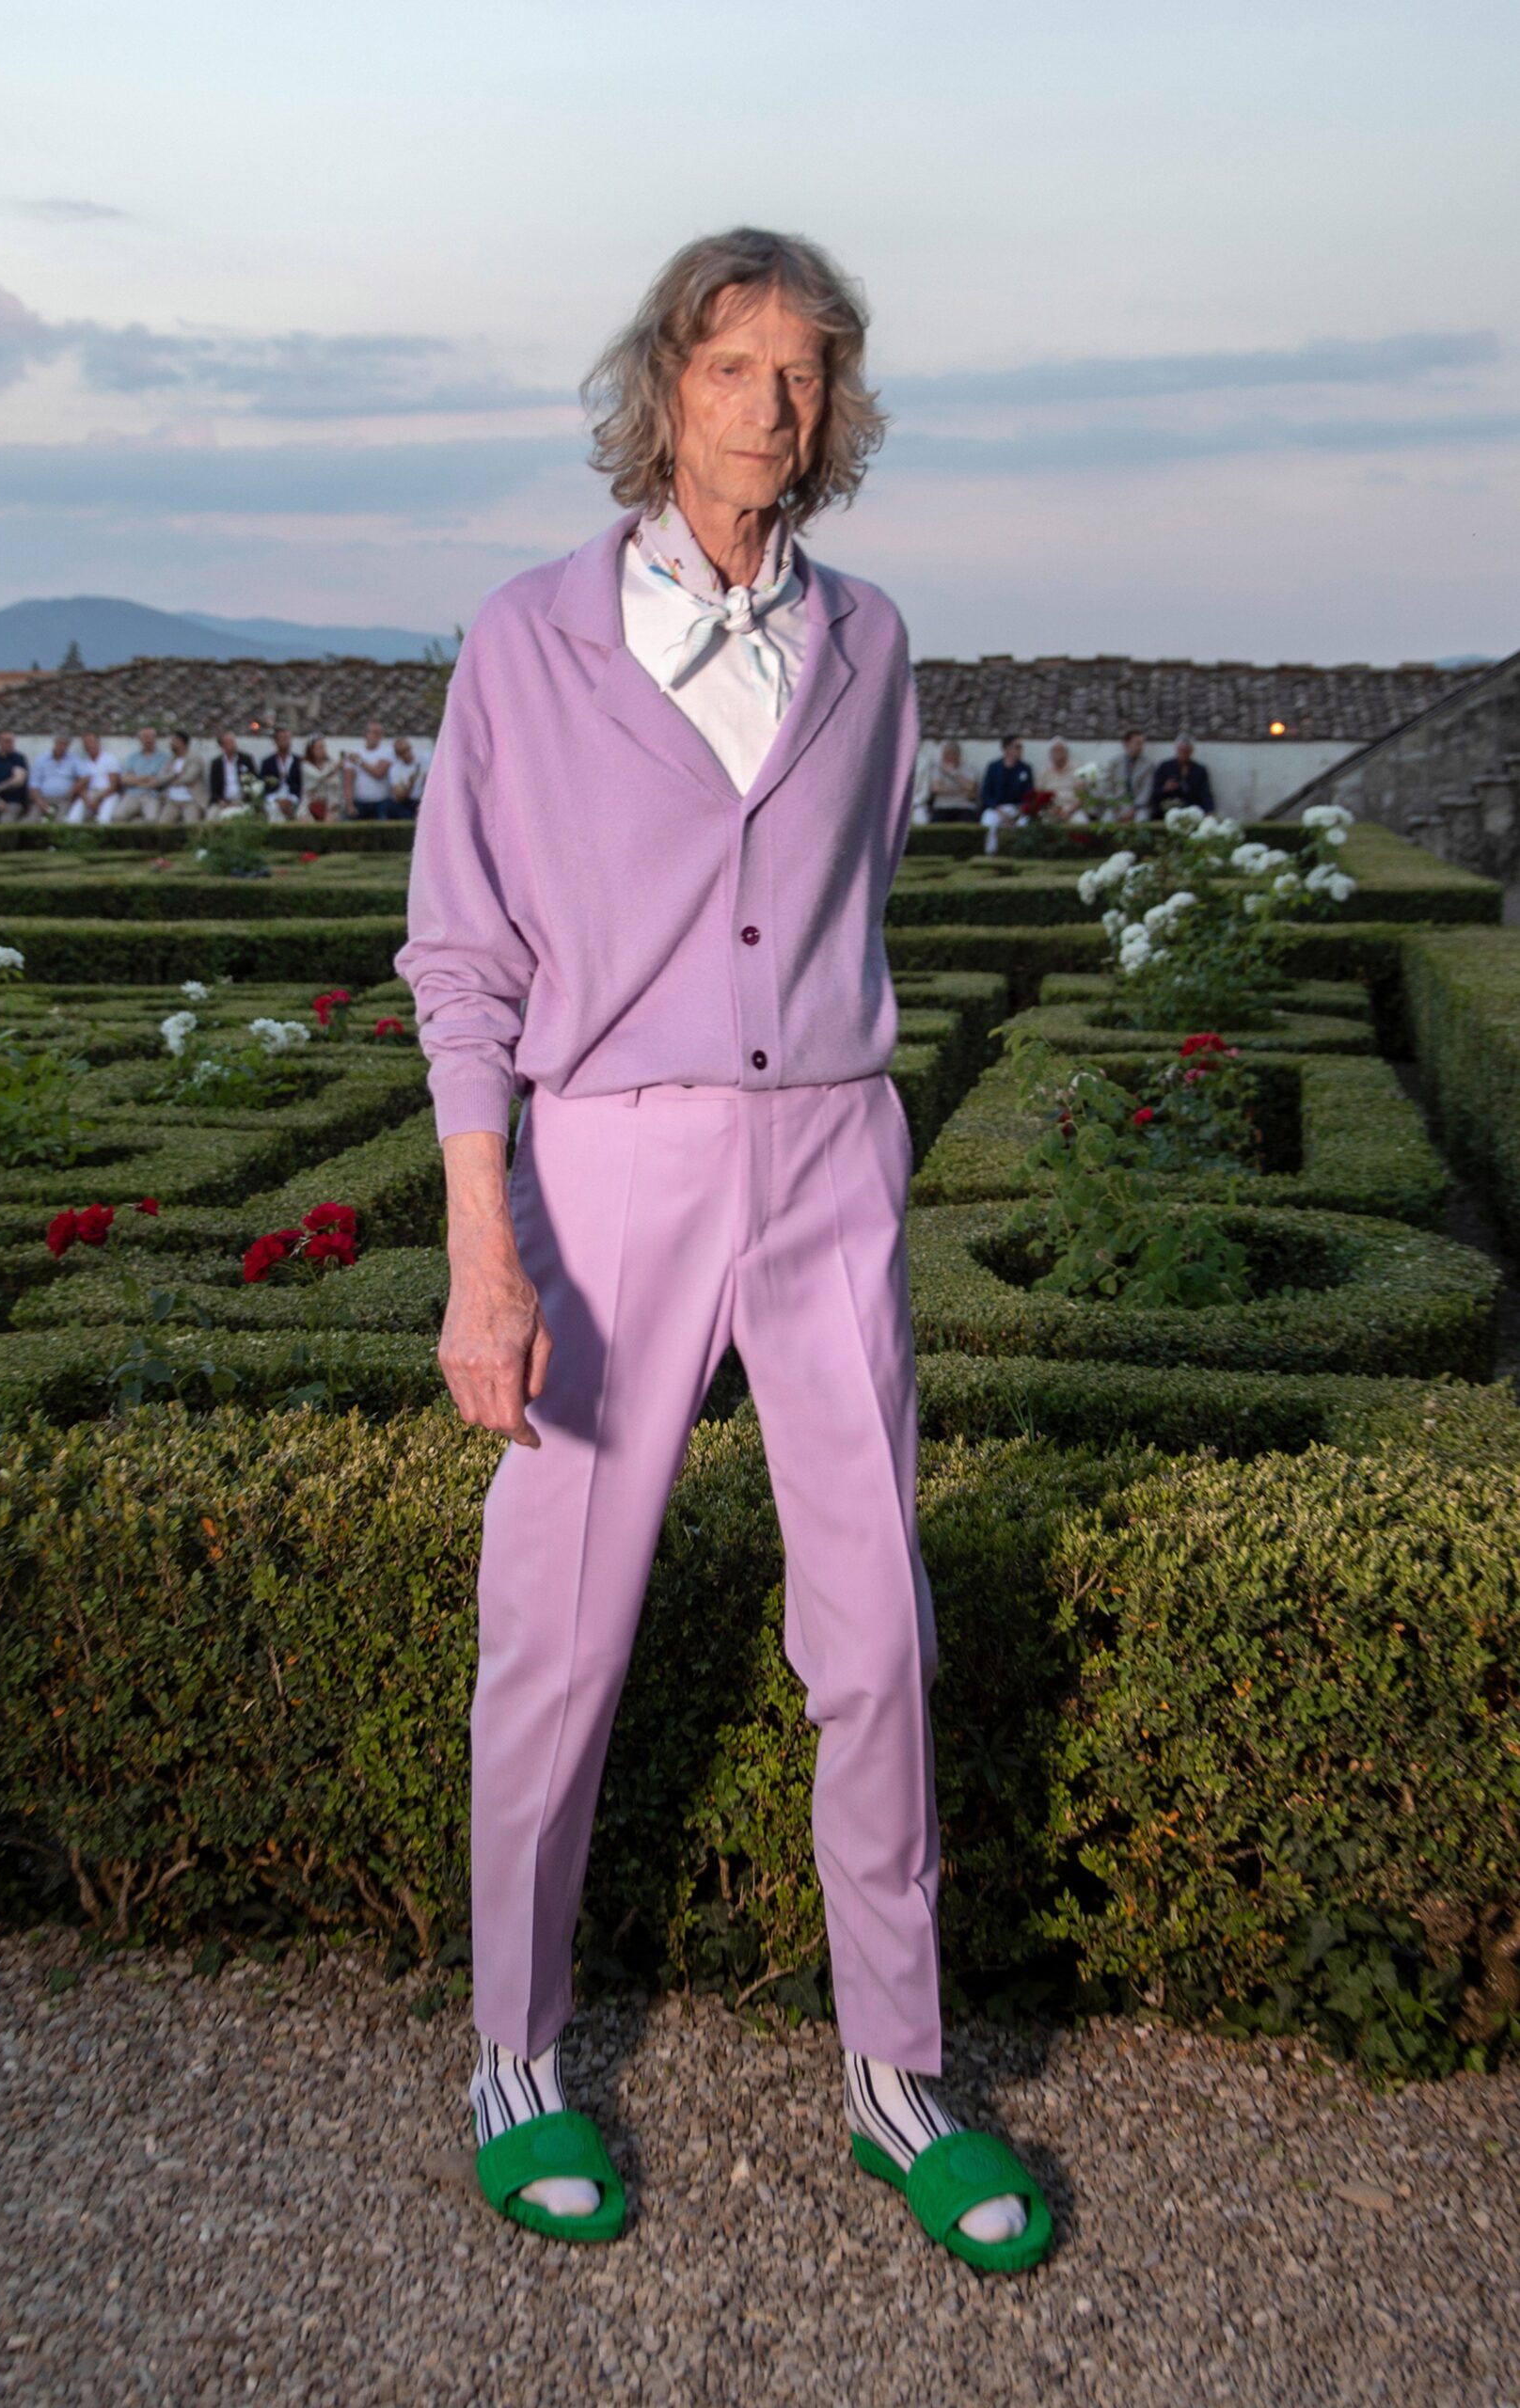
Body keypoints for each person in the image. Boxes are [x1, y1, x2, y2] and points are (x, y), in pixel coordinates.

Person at [397, 226, 1052, 2273]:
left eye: (803, 370)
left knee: (876, 1635)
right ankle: (513, 2051)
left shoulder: (873, 643)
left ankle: (896, 2071)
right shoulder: (529, 638)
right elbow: (462, 959)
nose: (769, 404)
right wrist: (484, 1250)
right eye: (729, 365)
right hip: (609, 1174)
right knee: (558, 1632)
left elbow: (844, 891)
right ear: (659, 391)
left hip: (832, 1158)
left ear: (831, 406)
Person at [979, 734, 1035, 854]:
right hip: (997, 809)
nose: (1020, 750)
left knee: (1025, 823)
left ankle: (1021, 854)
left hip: (1017, 809)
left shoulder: (1025, 768)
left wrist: (1019, 812)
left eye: (1021, 747)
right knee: (988, 822)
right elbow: (985, 794)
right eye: (1017, 747)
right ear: (1006, 749)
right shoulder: (993, 767)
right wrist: (998, 809)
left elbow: (1029, 795)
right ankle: (990, 854)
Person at [1148, 732, 1215, 816]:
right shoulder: (1164, 767)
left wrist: (1209, 810)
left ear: (1191, 751)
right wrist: (1165, 788)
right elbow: (1154, 793)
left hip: (1193, 810)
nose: (1183, 754)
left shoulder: (1200, 770)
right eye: (1181, 750)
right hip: (1168, 811)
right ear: (1176, 749)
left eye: (1186, 751)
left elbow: (1206, 793)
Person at [65, 733, 123, 826]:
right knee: (72, 819)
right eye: (86, 743)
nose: (89, 745)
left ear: (98, 743)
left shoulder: (110, 759)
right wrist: (87, 800)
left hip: (107, 794)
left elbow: (114, 786)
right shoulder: (83, 762)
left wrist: (98, 799)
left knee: (104, 820)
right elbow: (81, 786)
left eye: (91, 742)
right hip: (89, 794)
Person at [118, 727, 172, 824]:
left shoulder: (164, 758)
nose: (149, 740)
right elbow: (125, 780)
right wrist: (146, 777)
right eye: (145, 737)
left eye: (151, 737)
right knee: (118, 817)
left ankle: (137, 823)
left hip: (151, 795)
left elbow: (157, 782)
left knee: (152, 820)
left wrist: (135, 779)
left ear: (155, 739)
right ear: (140, 739)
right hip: (132, 794)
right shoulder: (132, 758)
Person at [920, 739, 979, 824]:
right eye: (944, 754)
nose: (944, 757)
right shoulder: (937, 768)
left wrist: (953, 773)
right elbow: (936, 788)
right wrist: (962, 791)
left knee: (966, 824)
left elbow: (970, 787)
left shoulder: (969, 769)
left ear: (957, 755)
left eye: (948, 754)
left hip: (964, 807)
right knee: (935, 825)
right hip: (942, 807)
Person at [30, 733, 83, 821]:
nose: (62, 747)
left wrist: (72, 791)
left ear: (68, 746)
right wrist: (40, 802)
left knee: (61, 821)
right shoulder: (41, 760)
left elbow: (85, 777)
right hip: (43, 797)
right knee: (32, 821)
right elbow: (33, 784)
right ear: (55, 743)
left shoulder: (74, 760)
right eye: (60, 743)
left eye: (65, 744)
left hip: (64, 798)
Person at [346, 721, 392, 820]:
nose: (377, 736)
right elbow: (348, 782)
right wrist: (350, 805)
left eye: (379, 733)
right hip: (359, 802)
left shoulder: (387, 752)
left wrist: (359, 761)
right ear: (366, 734)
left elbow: (379, 773)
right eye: (374, 732)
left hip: (381, 802)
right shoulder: (355, 752)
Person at [0, 732, 31, 822]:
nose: (10, 744)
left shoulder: (18, 759)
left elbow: (18, 780)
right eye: (7, 741)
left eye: (11, 741)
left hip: (12, 801)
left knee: (6, 821)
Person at [159, 730, 207, 825]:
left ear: (181, 742)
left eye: (174, 741)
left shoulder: (195, 759)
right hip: (172, 801)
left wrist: (170, 781)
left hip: (191, 800)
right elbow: (161, 778)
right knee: (162, 825)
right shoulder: (171, 760)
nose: (171, 743)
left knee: (192, 826)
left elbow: (189, 778)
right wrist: (174, 774)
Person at [1103, 728, 1151, 820]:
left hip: (1139, 807)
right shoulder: (1114, 763)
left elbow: (1147, 790)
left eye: (1142, 744)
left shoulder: (1148, 765)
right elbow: (1107, 787)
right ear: (1126, 744)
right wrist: (1115, 804)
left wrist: (1135, 807)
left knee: (1142, 819)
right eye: (1137, 743)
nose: (1140, 747)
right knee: (1107, 819)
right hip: (1117, 805)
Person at [261, 726, 303, 819]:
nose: (286, 742)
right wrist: (277, 800)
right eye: (282, 738)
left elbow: (301, 784)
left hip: (293, 797)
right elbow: (264, 784)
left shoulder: (298, 761)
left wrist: (291, 799)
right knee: (274, 809)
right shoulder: (268, 762)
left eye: (287, 738)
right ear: (276, 741)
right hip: (274, 797)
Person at [299, 736, 343, 823]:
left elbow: (336, 785)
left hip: (328, 806)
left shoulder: (330, 764)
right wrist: (334, 768)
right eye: (319, 747)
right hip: (308, 805)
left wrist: (335, 803)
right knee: (306, 822)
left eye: (323, 747)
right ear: (311, 750)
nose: (323, 750)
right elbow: (318, 777)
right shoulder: (305, 766)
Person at [1039, 737, 1082, 820]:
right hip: (1051, 809)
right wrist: (1052, 809)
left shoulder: (1077, 770)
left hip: (1072, 809)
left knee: (1081, 822)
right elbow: (1039, 795)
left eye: (1061, 750)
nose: (1058, 754)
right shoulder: (1044, 772)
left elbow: (1081, 796)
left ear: (1066, 753)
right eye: (1055, 750)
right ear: (1050, 753)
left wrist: (1069, 811)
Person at [207, 729, 246, 815]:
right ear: (222, 746)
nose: (233, 745)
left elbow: (253, 781)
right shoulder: (216, 764)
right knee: (211, 816)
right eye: (230, 743)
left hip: (240, 799)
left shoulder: (245, 759)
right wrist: (220, 800)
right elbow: (213, 788)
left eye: (233, 742)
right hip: (222, 801)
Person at [387, 735, 423, 819]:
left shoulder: (425, 759)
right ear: (398, 755)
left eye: (408, 749)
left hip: (424, 800)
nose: (407, 753)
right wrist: (410, 785)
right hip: (407, 802)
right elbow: (399, 798)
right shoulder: (395, 769)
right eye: (402, 752)